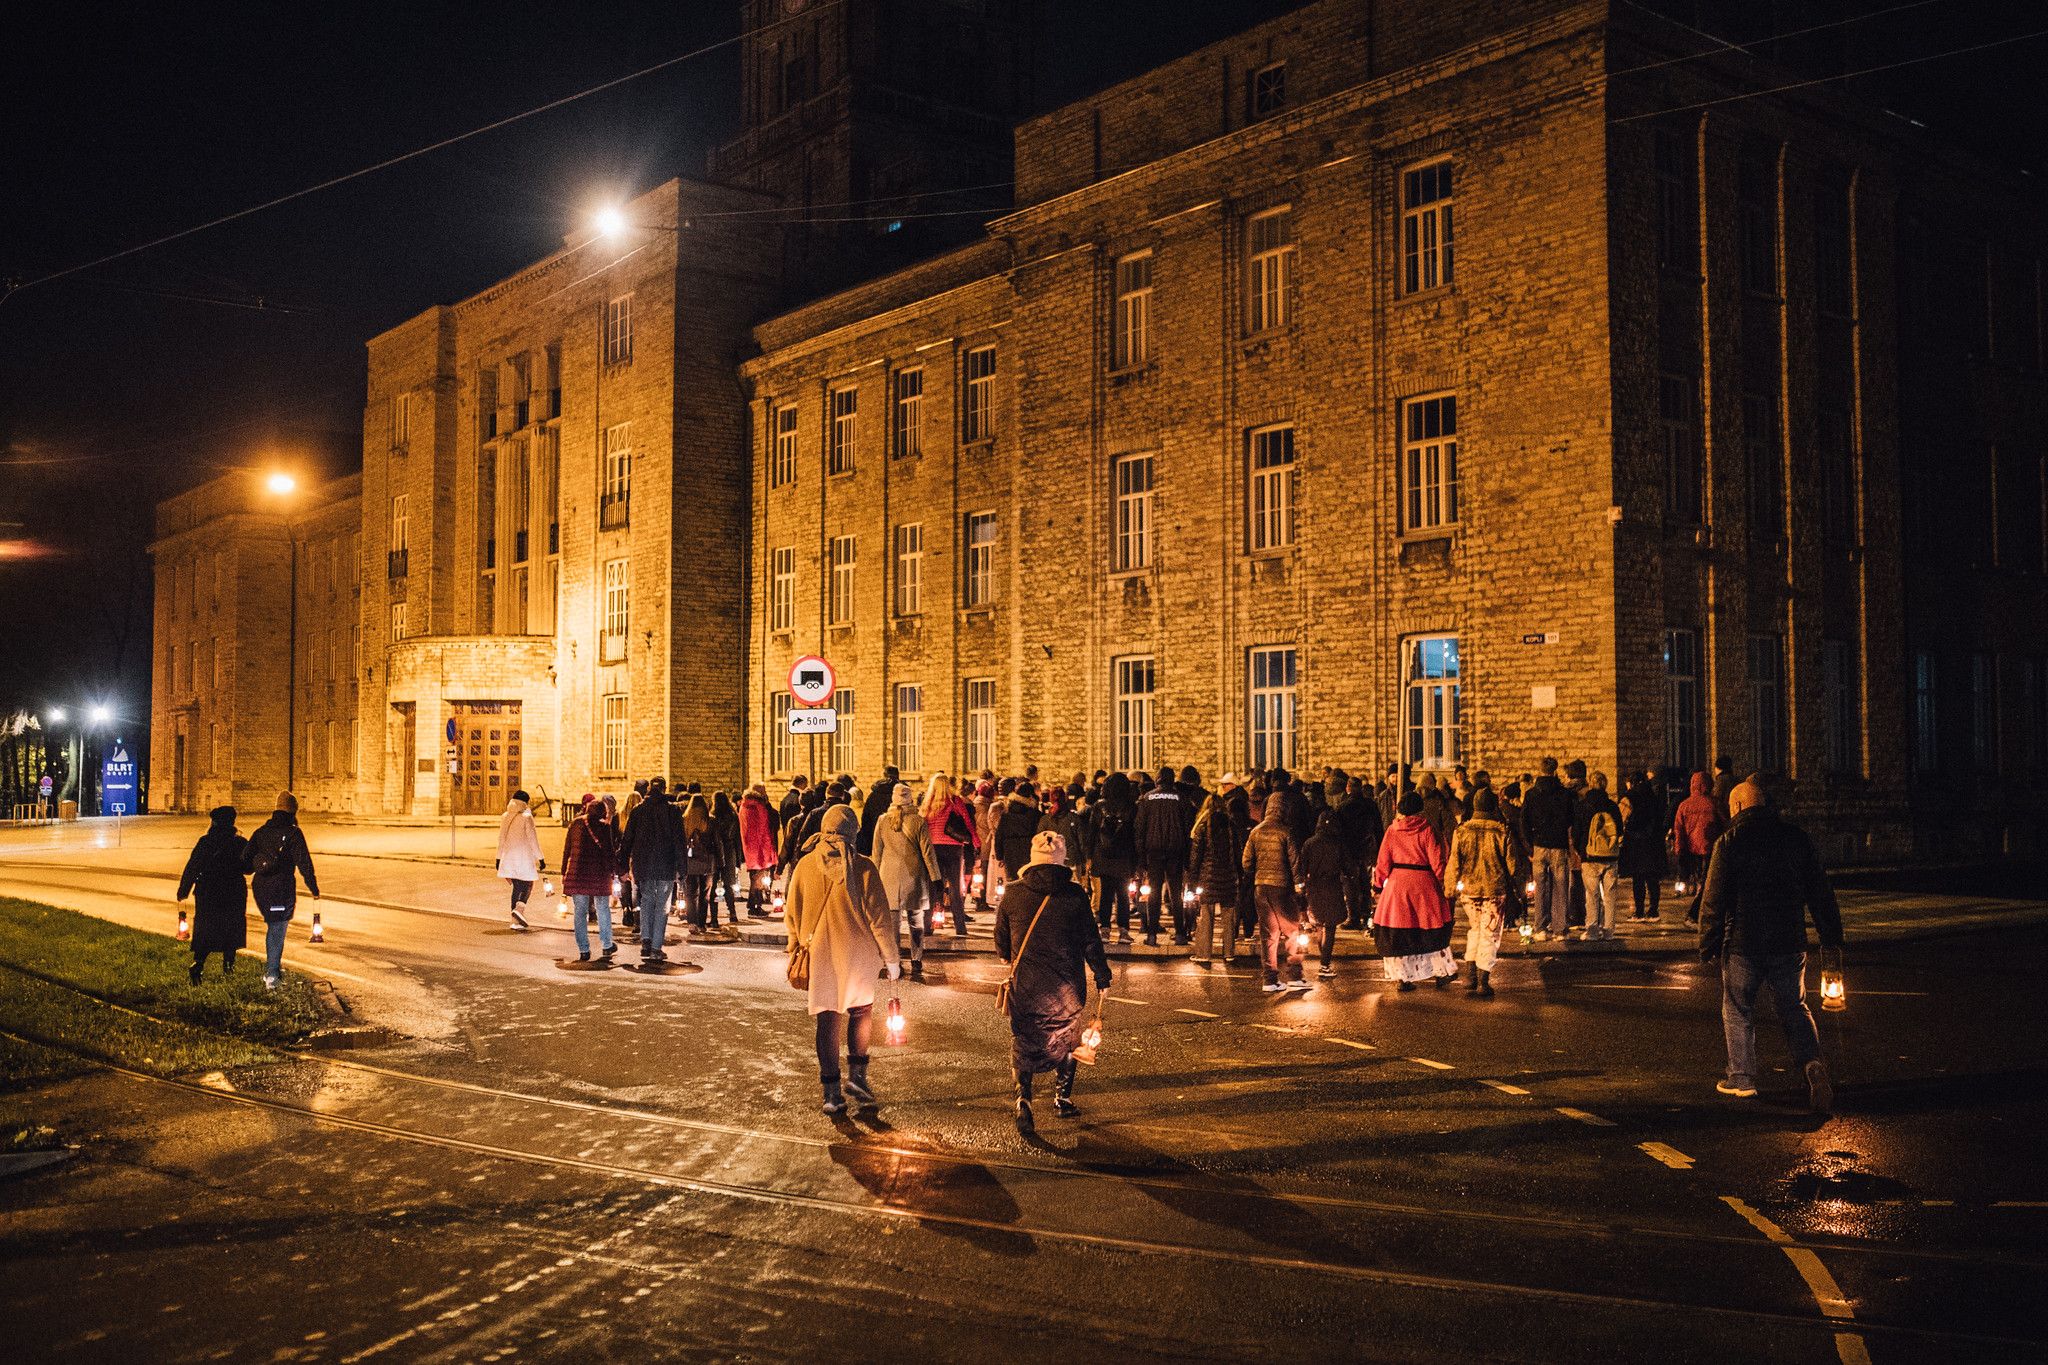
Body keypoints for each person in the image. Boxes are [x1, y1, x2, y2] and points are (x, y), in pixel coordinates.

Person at [1698, 778, 1842, 1113]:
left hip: (1743, 941)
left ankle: (1741, 1077)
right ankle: (1812, 1064)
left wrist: (1708, 944)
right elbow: (1821, 893)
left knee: (1738, 1009)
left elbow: (1713, 899)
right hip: (1789, 940)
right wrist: (1831, 939)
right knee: (1795, 1007)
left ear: (1737, 806)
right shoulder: (1796, 838)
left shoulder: (1729, 840)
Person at [786, 803, 901, 1114]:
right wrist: (891, 959)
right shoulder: (863, 867)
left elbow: (792, 912)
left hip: (820, 954)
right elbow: (880, 919)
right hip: (859, 953)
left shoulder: (806, 865)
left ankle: (831, 1094)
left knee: (827, 1019)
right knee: (860, 1013)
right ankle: (858, 1080)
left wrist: (795, 945)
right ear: (853, 832)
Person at [995, 830, 1112, 1134]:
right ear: (1062, 861)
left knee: (1024, 1039)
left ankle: (1023, 1100)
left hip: (1027, 986)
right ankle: (1062, 1098)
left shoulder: (1013, 893)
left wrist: (1011, 955)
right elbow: (1091, 941)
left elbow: (1001, 941)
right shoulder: (1075, 895)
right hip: (1067, 987)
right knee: (1068, 1038)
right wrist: (1102, 975)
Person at [1372, 791, 1456, 990]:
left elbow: (1383, 860)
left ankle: (1403, 978)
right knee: (1432, 931)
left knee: (1400, 931)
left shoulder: (1392, 830)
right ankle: (1441, 973)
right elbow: (1437, 859)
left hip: (1397, 885)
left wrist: (1378, 884)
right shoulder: (1428, 829)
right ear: (1420, 808)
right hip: (1424, 884)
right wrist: (1444, 882)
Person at [243, 791, 318, 990]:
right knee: (277, 928)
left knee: (274, 925)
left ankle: (273, 969)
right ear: (293, 811)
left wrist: (260, 863)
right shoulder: (293, 833)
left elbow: (245, 863)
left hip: (260, 887)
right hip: (281, 887)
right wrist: (313, 887)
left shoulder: (261, 832)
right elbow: (304, 863)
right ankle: (273, 976)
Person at [1444, 790, 1513, 997]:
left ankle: (1471, 975)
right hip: (1494, 889)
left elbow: (1454, 862)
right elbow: (1512, 865)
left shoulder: (1461, 831)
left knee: (1475, 930)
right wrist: (1519, 890)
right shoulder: (1502, 832)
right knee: (1490, 934)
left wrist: (1450, 888)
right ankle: (1484, 979)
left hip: (1470, 890)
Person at [1242, 787, 1308, 992]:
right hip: (1282, 888)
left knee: (1269, 936)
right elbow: (1295, 863)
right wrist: (1299, 888)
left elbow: (1246, 863)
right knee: (1292, 932)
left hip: (1261, 888)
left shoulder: (1255, 831)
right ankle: (1295, 976)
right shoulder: (1286, 831)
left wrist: (1257, 874)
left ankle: (1269, 980)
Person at [876, 782, 942, 981]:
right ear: (910, 798)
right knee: (916, 921)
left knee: (892, 925)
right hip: (914, 876)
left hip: (888, 877)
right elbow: (928, 852)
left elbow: (876, 853)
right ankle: (916, 959)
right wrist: (936, 877)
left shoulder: (882, 820)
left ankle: (894, 962)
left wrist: (874, 878)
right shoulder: (918, 821)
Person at [178, 805, 247, 984]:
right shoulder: (239, 843)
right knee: (231, 929)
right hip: (233, 891)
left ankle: (198, 963)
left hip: (207, 891)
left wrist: (183, 890)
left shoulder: (205, 842)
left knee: (205, 929)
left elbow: (192, 867)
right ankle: (229, 968)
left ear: (214, 822)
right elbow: (248, 869)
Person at [619, 777, 683, 964]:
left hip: (643, 865)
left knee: (646, 901)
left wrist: (623, 866)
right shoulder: (672, 811)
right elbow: (679, 841)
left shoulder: (638, 811)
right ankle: (656, 947)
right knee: (662, 906)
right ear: (664, 790)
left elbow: (627, 840)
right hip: (665, 865)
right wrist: (681, 868)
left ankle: (646, 940)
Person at [1134, 765, 1191, 945]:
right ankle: (1180, 933)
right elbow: (1188, 829)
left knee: (1154, 893)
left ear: (1157, 779)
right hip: (1176, 851)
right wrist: (1187, 856)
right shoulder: (1181, 798)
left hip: (1153, 852)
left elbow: (1139, 829)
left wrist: (1141, 857)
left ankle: (1151, 934)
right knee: (1176, 893)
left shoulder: (1147, 798)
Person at [1186, 788, 1242, 964]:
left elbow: (1196, 856)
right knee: (1228, 917)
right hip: (1228, 877)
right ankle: (1229, 953)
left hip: (1208, 877)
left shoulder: (1203, 827)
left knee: (1206, 916)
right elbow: (1238, 853)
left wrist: (1192, 880)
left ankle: (1204, 954)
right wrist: (1239, 875)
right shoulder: (1231, 826)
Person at [560, 794, 618, 962]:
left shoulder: (575, 824)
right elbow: (609, 852)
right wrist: (615, 871)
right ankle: (607, 945)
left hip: (577, 873)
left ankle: (584, 950)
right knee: (603, 908)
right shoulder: (604, 827)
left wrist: (564, 871)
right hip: (599, 875)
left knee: (580, 912)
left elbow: (567, 849)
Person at [1522, 758, 1574, 941]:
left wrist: (1530, 844)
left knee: (1541, 888)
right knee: (1561, 887)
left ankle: (1541, 928)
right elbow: (1570, 818)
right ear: (1555, 771)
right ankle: (1560, 929)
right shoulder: (1564, 793)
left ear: (1540, 770)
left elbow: (1524, 821)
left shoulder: (1531, 794)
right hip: (1558, 844)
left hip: (1539, 844)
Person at [1084, 772, 1139, 942]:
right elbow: (1135, 835)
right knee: (1123, 895)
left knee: (1106, 895)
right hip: (1124, 856)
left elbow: (1092, 833)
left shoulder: (1099, 806)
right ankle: (1123, 930)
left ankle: (1105, 930)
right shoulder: (1131, 807)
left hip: (1104, 856)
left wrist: (1089, 856)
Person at [921, 772, 978, 936]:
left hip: (934, 848)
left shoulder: (927, 803)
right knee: (955, 888)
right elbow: (967, 822)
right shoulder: (955, 800)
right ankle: (960, 927)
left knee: (932, 888)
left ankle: (927, 927)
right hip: (953, 848)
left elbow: (923, 826)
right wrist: (976, 842)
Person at [1572, 772, 1624, 941]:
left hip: (1590, 857)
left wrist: (1580, 851)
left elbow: (1576, 832)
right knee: (1610, 895)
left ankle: (1592, 930)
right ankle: (1609, 930)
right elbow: (1619, 830)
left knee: (1592, 895)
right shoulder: (1612, 806)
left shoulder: (1582, 806)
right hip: (1610, 856)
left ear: (1590, 784)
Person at [1300, 810, 1349, 980]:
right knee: (1330, 926)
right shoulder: (1338, 844)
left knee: (1321, 924)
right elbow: (1347, 867)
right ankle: (1324, 965)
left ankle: (1324, 961)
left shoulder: (1309, 843)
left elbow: (1302, 867)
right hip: (1332, 885)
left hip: (1314, 886)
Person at [1671, 771, 1724, 926]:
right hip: (1710, 848)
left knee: (1700, 883)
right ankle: (1694, 915)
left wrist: (1680, 850)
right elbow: (1725, 823)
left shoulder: (1684, 805)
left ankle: (1699, 915)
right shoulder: (1714, 803)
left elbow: (1679, 830)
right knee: (1707, 884)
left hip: (1691, 850)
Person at [1334, 776, 1386, 929]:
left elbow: (1338, 831)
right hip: (1367, 849)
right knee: (1365, 882)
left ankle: (1354, 918)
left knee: (1350, 884)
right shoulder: (1370, 805)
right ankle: (1366, 915)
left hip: (1349, 850)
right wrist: (1379, 849)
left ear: (1347, 789)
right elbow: (1378, 829)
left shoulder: (1343, 807)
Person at [1619, 769, 1669, 921]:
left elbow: (1621, 818)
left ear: (1631, 783)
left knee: (1638, 877)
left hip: (1636, 841)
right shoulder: (1653, 796)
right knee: (1652, 877)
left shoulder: (1629, 797)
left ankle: (1639, 911)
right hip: (1653, 841)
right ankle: (1653, 910)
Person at [496, 789, 544, 930]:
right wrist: (541, 858)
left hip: (509, 857)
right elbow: (533, 839)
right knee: (528, 884)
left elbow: (501, 838)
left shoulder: (505, 816)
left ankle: (514, 921)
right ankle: (519, 910)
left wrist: (498, 858)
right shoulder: (527, 817)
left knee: (516, 887)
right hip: (524, 858)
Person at [740, 784, 779, 916]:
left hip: (750, 847)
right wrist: (770, 850)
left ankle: (753, 904)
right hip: (760, 848)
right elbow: (764, 829)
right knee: (758, 880)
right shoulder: (759, 807)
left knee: (754, 877)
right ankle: (755, 906)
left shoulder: (745, 805)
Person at [995, 781, 1042, 888]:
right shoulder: (1035, 814)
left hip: (1010, 851)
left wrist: (999, 856)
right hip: (1028, 850)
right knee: (1028, 881)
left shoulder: (1007, 814)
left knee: (1013, 882)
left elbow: (999, 835)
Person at [681, 793, 716, 929]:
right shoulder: (710, 820)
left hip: (690, 861)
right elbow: (717, 842)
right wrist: (721, 861)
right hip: (707, 861)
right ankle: (701, 923)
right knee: (705, 894)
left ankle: (692, 922)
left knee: (691, 893)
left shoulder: (685, 819)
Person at [710, 790, 744, 923]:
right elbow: (737, 838)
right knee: (728, 885)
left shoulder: (712, 817)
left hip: (715, 851)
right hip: (730, 850)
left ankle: (714, 918)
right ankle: (732, 913)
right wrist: (738, 859)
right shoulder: (733, 816)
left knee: (713, 885)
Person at [859, 765, 899, 856]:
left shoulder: (873, 795)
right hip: (897, 840)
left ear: (883, 776)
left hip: (876, 839)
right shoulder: (901, 796)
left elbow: (866, 820)